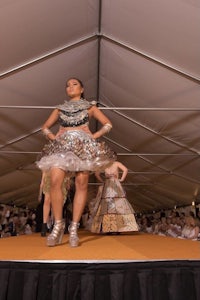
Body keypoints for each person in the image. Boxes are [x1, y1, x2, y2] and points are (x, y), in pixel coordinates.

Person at [36, 77, 116, 247]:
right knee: (56, 181)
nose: (70, 87)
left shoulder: (90, 107)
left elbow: (108, 124)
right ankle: (58, 225)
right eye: (67, 85)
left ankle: (74, 228)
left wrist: (92, 137)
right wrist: (53, 137)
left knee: (82, 183)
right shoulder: (59, 109)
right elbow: (44, 127)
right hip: (62, 147)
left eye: (74, 84)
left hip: (83, 147)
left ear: (81, 89)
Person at [90, 161, 138, 234]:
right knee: (118, 204)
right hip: (115, 183)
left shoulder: (104, 164)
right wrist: (122, 179)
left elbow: (97, 174)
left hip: (108, 184)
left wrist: (103, 181)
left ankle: (108, 228)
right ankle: (119, 228)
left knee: (107, 206)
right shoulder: (116, 163)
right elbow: (125, 170)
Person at [38, 171, 70, 236]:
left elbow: (43, 175)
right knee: (53, 202)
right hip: (58, 176)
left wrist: (40, 192)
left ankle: (46, 226)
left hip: (55, 175)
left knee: (48, 202)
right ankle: (53, 225)